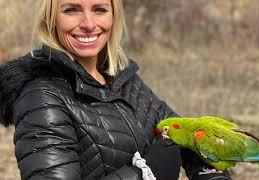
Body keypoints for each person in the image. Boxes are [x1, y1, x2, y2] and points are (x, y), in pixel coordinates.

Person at [0, 0, 232, 180]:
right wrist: (144, 173)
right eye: (71, 10)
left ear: (114, 15)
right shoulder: (41, 96)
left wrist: (208, 172)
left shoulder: (121, 78)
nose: (89, 24)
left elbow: (184, 133)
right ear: (50, 18)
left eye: (100, 9)